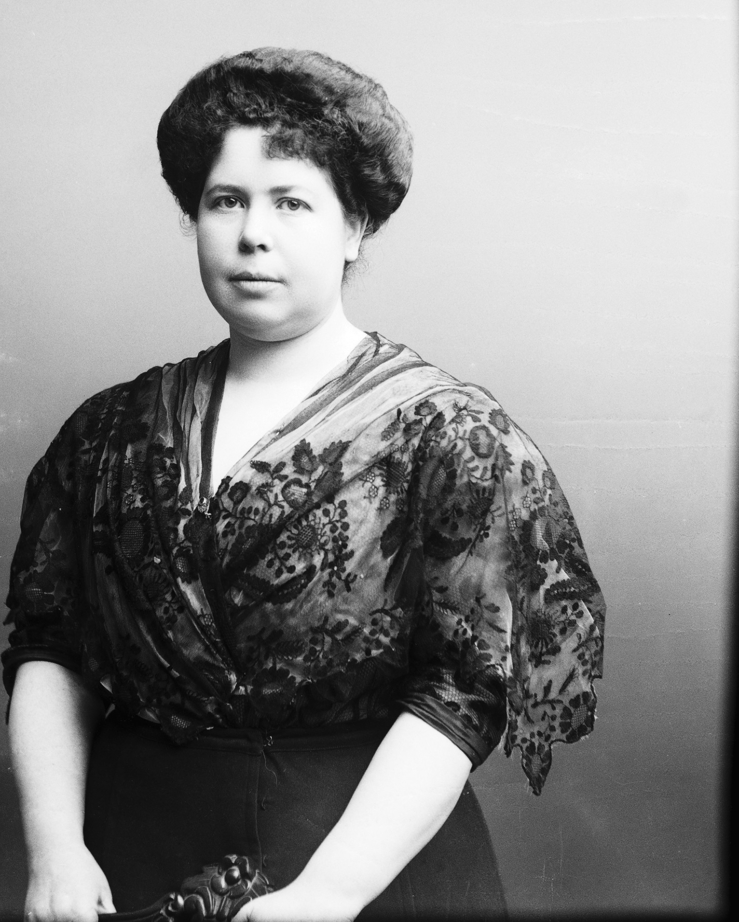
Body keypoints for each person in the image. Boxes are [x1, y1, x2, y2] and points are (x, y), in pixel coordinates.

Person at [3, 48, 605, 922]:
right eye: (225, 201)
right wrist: (55, 849)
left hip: (362, 863)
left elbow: (463, 691)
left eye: (290, 202)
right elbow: (51, 649)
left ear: (354, 226)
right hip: (126, 857)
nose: (253, 233)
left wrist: (330, 892)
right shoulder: (105, 433)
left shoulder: (449, 436)